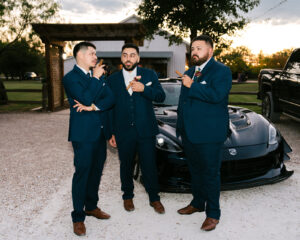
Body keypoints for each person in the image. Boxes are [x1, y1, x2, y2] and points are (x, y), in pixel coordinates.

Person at [176, 35, 232, 231]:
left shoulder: (222, 71)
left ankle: (213, 214)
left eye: (199, 48)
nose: (194, 51)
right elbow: (183, 103)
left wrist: (193, 86)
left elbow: (217, 96)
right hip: (189, 134)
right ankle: (198, 203)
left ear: (210, 51)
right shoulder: (190, 71)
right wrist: (180, 127)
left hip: (210, 134)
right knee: (195, 171)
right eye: (192, 48)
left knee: (210, 174)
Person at [63, 41, 115, 236]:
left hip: (100, 133)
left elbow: (110, 99)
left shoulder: (98, 77)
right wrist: (95, 80)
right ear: (80, 55)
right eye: (92, 53)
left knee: (96, 173)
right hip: (83, 135)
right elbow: (84, 98)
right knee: (82, 174)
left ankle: (91, 207)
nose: (95, 57)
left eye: (95, 53)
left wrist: (93, 107)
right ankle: (78, 217)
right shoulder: (70, 78)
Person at [107, 43, 166, 214]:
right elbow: (110, 107)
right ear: (121, 58)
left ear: (138, 58)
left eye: (132, 55)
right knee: (125, 165)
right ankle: (127, 196)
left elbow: (161, 96)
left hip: (146, 129)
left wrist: (144, 89)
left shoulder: (149, 74)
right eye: (125, 55)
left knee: (149, 165)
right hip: (123, 130)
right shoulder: (112, 80)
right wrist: (111, 131)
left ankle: (154, 198)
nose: (128, 58)